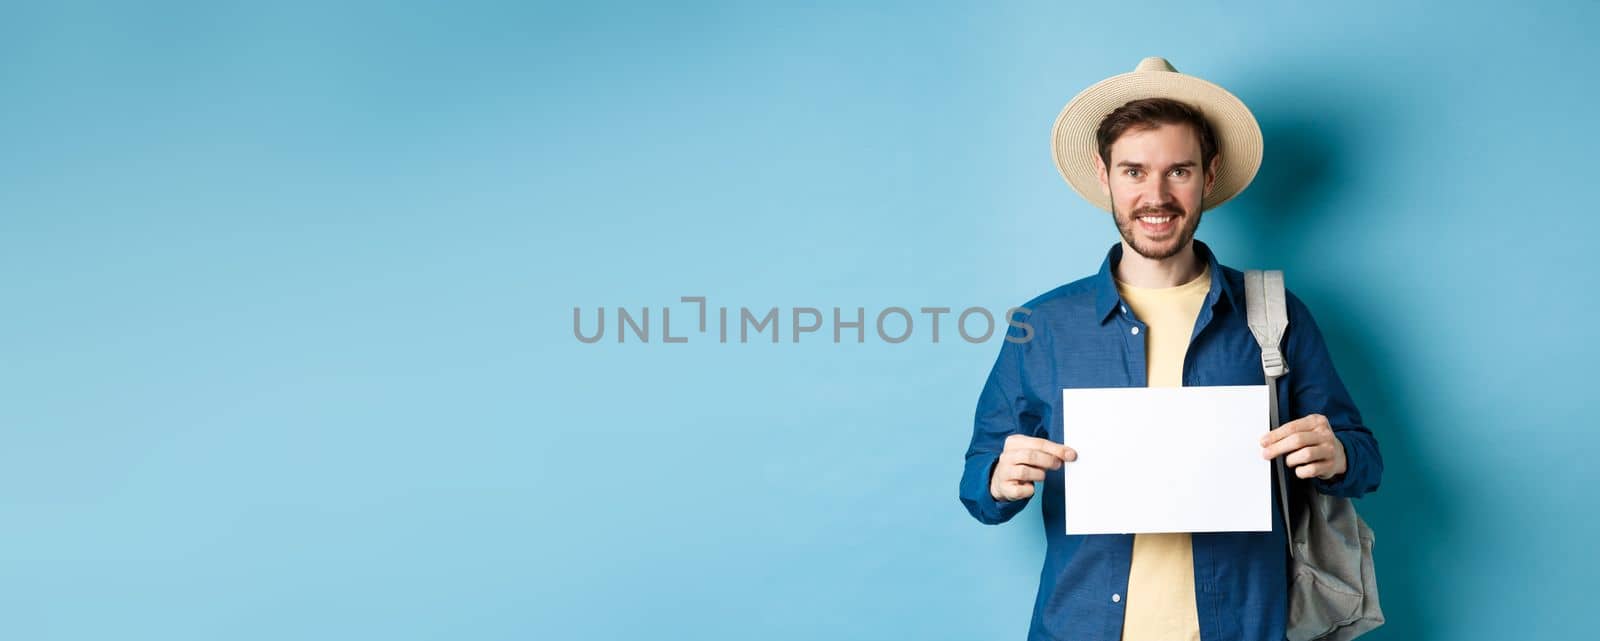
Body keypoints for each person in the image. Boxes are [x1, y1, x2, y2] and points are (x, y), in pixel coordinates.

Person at [957, 57, 1382, 641]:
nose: (1155, 196)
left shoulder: (1274, 313)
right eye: (1134, 171)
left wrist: (1335, 455)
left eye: (1177, 171)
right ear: (1105, 177)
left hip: (1241, 627)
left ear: (1208, 178)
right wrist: (1000, 479)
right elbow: (978, 486)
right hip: (1082, 627)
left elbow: (1363, 459)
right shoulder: (1044, 325)